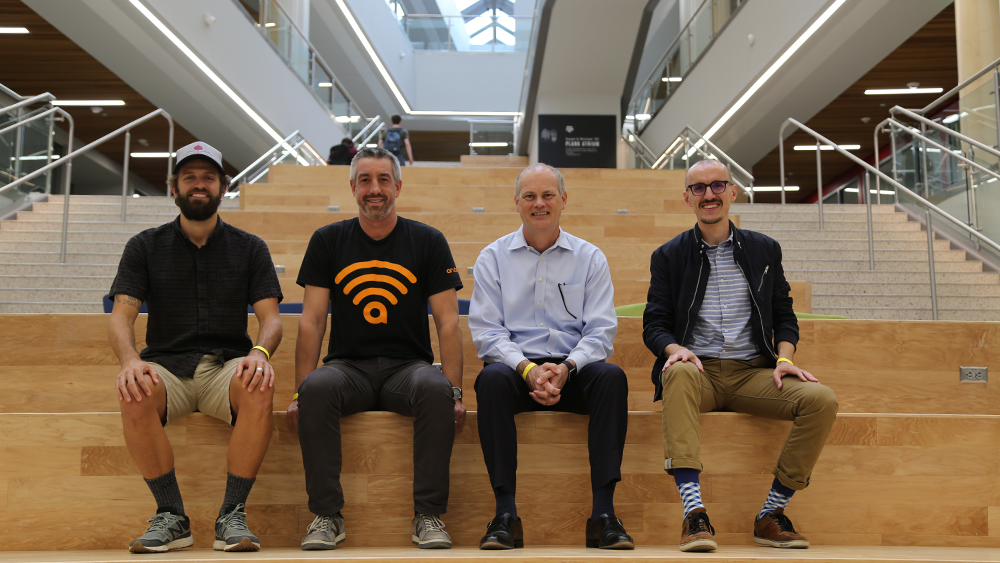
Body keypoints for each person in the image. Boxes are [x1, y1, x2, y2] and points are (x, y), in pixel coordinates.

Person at [642, 159, 838, 552]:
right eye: (698, 188)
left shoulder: (764, 249)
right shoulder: (669, 255)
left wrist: (784, 358)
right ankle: (694, 515)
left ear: (733, 192)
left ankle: (771, 513)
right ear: (687, 198)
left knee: (821, 400)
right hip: (699, 373)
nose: (709, 194)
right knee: (675, 372)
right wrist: (675, 349)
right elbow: (654, 323)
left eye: (717, 186)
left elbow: (784, 315)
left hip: (754, 373)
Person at [109, 141, 283, 554]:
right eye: (190, 177)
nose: (199, 184)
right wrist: (130, 360)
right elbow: (121, 316)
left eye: (208, 177)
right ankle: (171, 516)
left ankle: (231, 516)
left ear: (223, 187)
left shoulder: (250, 247)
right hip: (167, 366)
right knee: (134, 390)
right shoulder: (144, 246)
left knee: (258, 381)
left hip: (227, 366)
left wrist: (259, 354)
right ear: (174, 188)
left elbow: (271, 319)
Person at [287, 147, 464, 550]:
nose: (375, 189)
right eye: (365, 180)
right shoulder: (327, 241)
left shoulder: (428, 241)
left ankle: (428, 515)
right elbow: (312, 321)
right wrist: (299, 390)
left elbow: (448, 322)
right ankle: (327, 516)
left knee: (436, 389)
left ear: (398, 186)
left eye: (383, 179)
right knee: (315, 389)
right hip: (348, 369)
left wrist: (454, 390)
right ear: (352, 187)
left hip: (409, 369)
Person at [469, 163, 633, 551]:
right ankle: (505, 514)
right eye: (529, 196)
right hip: (515, 369)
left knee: (612, 378)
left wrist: (567, 367)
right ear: (516, 203)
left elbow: (601, 331)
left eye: (547, 195)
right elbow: (488, 333)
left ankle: (604, 516)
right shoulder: (493, 257)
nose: (539, 203)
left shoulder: (590, 257)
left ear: (563, 200)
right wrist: (526, 369)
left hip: (573, 368)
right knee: (489, 380)